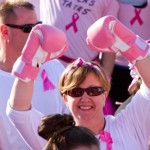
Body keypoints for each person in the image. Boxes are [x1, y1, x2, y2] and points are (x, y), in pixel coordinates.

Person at [7, 15, 150, 149]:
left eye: (93, 91)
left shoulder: (129, 124)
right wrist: (30, 60)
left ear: (104, 95)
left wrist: (128, 42)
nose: (85, 98)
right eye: (76, 92)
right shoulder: (56, 137)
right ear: (65, 98)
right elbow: (19, 112)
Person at [0, 1, 69, 149]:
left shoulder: (54, 66)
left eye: (37, 27)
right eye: (28, 28)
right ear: (5, 31)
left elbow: (70, 117)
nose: (35, 35)